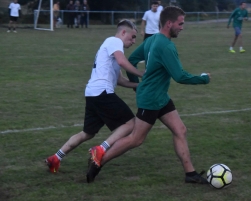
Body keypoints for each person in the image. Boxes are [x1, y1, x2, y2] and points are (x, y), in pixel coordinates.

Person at [86, 6, 211, 185]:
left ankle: (190, 173)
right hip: (151, 100)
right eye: (180, 23)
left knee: (180, 130)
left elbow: (133, 60)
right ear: (169, 23)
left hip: (159, 96)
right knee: (136, 139)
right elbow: (180, 76)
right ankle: (98, 161)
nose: (182, 27)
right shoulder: (166, 46)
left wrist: (138, 86)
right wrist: (203, 79)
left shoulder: (153, 40)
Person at [45, 20, 144, 173]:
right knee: (131, 123)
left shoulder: (112, 48)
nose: (133, 41)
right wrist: (143, 74)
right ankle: (101, 149)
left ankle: (56, 158)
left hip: (92, 93)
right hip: (102, 92)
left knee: (87, 133)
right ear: (123, 32)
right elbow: (122, 61)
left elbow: (120, 80)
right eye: (132, 37)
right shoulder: (114, 41)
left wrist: (139, 85)